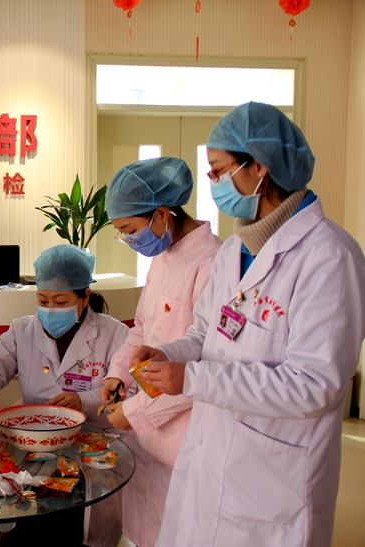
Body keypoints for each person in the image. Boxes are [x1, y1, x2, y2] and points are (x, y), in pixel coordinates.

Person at [134, 102, 365, 547]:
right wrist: (168, 354)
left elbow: (313, 385)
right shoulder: (233, 251)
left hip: (272, 480)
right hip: (210, 455)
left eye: (219, 171)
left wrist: (193, 379)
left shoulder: (329, 257)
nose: (212, 182)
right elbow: (206, 334)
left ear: (259, 167)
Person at [0, 244, 130, 547]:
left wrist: (85, 401)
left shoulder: (115, 335)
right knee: (18, 523)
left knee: (66, 531)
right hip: (32, 447)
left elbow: (126, 394)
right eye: (42, 300)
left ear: (85, 297)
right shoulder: (23, 331)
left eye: (60, 302)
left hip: (92, 451)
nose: (49, 309)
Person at [99, 157, 223, 547]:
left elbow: (204, 366)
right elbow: (141, 329)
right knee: (144, 533)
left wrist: (134, 412)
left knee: (180, 534)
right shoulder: (164, 259)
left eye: (129, 230)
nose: (129, 239)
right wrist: (117, 374)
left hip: (187, 437)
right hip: (149, 433)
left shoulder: (212, 263)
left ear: (162, 214)